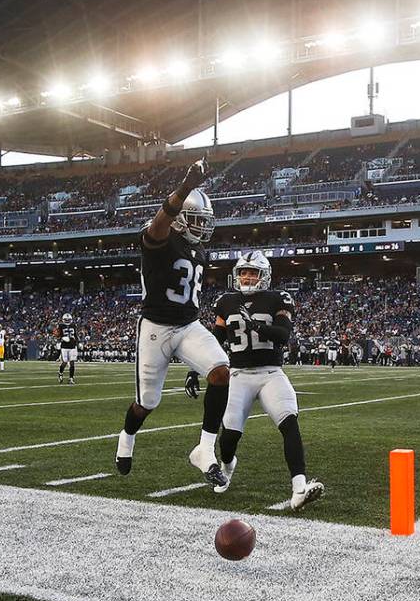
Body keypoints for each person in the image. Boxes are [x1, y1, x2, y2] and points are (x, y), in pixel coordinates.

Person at [114, 158, 232, 488]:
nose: (202, 226)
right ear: (180, 218)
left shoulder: (200, 252)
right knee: (146, 403)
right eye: (195, 219)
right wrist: (185, 186)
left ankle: (205, 450)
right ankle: (127, 438)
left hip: (188, 325)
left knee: (221, 371)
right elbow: (159, 223)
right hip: (155, 328)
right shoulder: (159, 239)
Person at [210, 251, 324, 509]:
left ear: (264, 276)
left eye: (253, 272)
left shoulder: (278, 298)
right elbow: (215, 340)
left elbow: (283, 335)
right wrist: (197, 369)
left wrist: (257, 326)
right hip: (238, 375)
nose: (247, 277)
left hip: (271, 372)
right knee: (228, 438)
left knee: (289, 422)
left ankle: (299, 488)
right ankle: (228, 466)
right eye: (243, 272)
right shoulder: (225, 301)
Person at [57, 314, 78, 384]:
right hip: (64, 346)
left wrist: (78, 342)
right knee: (65, 362)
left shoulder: (73, 325)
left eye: (68, 320)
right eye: (66, 320)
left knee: (72, 362)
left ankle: (71, 378)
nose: (67, 321)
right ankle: (60, 372)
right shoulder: (61, 326)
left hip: (72, 346)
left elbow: (75, 335)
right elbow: (58, 336)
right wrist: (62, 338)